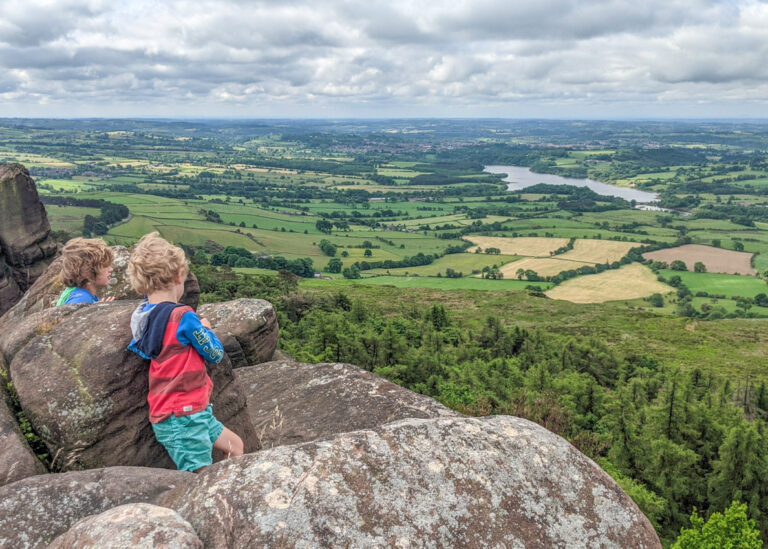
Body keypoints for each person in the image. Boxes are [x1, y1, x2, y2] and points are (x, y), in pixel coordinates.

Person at [126, 232, 243, 472]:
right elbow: (214, 353)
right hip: (185, 415)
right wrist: (206, 330)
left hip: (190, 413)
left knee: (236, 447)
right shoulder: (183, 316)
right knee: (199, 476)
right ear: (179, 276)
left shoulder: (142, 317)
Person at [56, 237, 115, 305]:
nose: (111, 269)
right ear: (87, 272)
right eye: (105, 266)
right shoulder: (81, 299)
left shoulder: (76, 292)